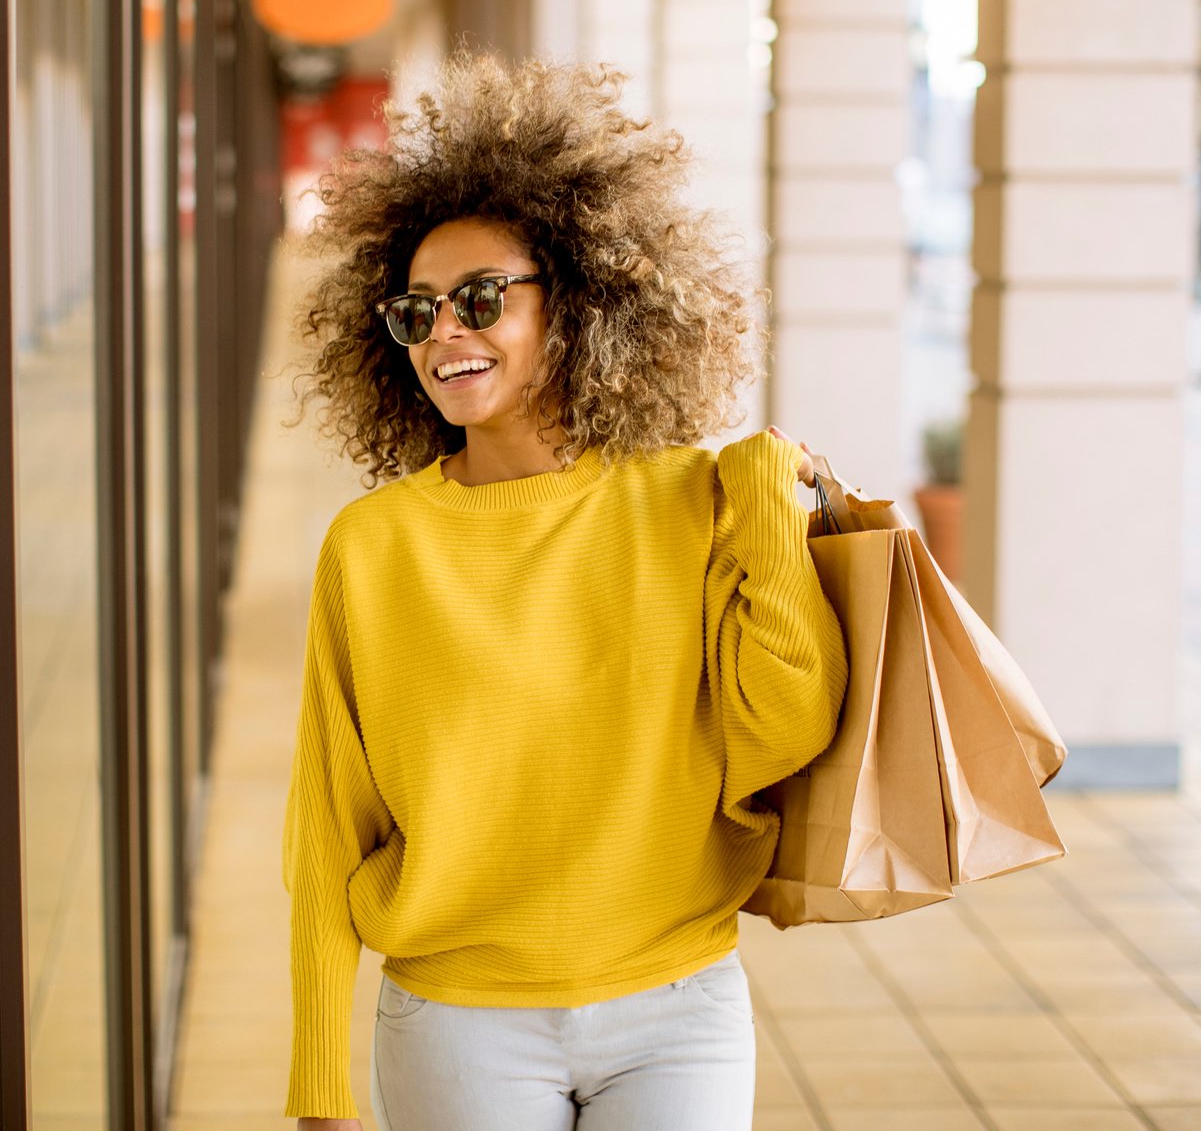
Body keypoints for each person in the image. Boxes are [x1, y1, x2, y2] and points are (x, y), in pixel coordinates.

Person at [283, 55, 849, 1130]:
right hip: (458, 1019)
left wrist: (770, 523)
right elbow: (326, 825)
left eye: (482, 299)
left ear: (581, 306)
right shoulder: (373, 547)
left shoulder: (695, 499)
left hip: (676, 1003)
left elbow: (782, 735)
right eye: (417, 313)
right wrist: (319, 1074)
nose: (446, 331)